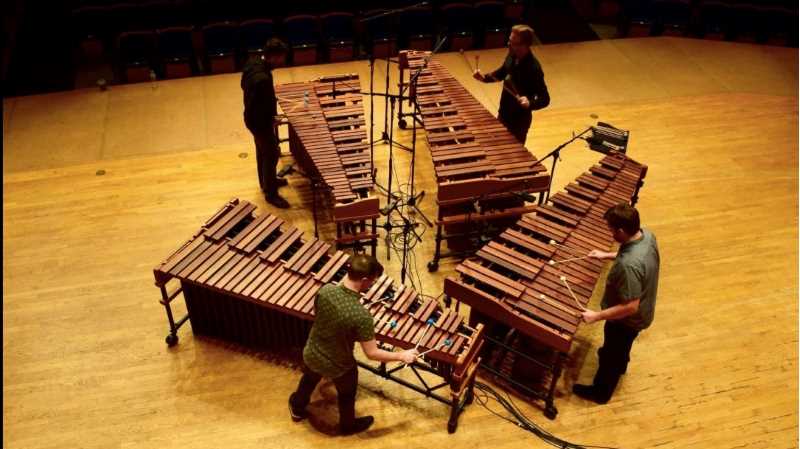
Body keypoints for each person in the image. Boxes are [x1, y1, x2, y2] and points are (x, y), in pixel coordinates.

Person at [289, 254, 419, 435]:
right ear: (364, 280)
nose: (372, 285)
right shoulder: (361, 316)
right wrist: (401, 355)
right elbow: (372, 354)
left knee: (310, 378)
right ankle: (348, 426)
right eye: (372, 282)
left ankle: (297, 408)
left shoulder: (325, 290)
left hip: (312, 352)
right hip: (339, 365)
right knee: (347, 394)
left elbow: (324, 318)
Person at [572, 203, 660, 404]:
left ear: (621, 230)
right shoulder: (647, 236)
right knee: (621, 348)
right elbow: (630, 254)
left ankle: (600, 393)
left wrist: (596, 316)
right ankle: (621, 364)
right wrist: (606, 254)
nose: (610, 232)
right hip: (644, 311)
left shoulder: (629, 266)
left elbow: (630, 306)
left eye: (611, 229)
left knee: (610, 355)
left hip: (628, 320)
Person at [472, 24, 550, 144]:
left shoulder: (534, 68)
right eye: (509, 40)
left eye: (513, 42)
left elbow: (545, 99)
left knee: (514, 156)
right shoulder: (512, 55)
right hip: (503, 113)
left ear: (524, 45)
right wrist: (484, 78)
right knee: (497, 148)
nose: (509, 44)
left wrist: (530, 103)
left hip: (519, 122)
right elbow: (502, 72)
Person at [241, 38, 290, 209]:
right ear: (273, 57)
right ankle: (271, 194)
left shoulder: (253, 62)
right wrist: (270, 120)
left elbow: (245, 87)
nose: (282, 61)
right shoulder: (262, 79)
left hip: (252, 119)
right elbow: (258, 106)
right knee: (271, 154)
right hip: (259, 122)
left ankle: (266, 181)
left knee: (262, 152)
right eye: (281, 58)